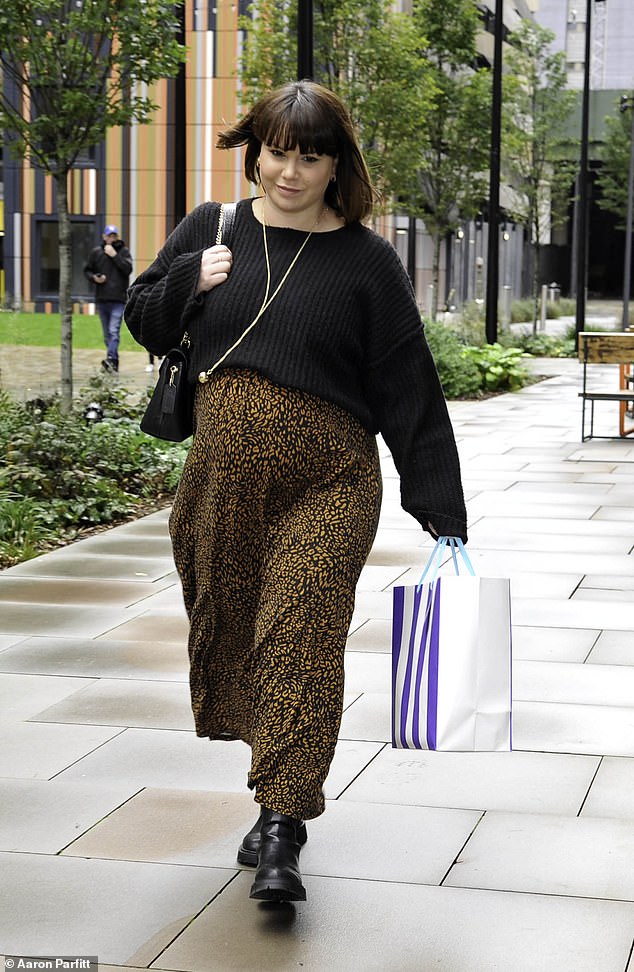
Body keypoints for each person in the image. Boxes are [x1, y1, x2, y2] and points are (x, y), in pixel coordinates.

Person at [125, 80, 468, 904]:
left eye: (309, 156)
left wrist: (443, 510)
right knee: (241, 628)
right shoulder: (214, 228)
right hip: (222, 482)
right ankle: (271, 777)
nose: (289, 171)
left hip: (331, 481)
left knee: (303, 633)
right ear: (258, 150)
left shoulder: (366, 261)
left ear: (335, 162)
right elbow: (141, 317)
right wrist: (190, 286)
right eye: (277, 151)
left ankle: (283, 822)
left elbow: (407, 387)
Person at [84, 225, 133, 373]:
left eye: (114, 235)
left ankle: (111, 359)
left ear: (117, 237)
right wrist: (94, 278)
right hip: (102, 298)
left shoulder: (124, 252)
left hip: (118, 298)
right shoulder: (96, 253)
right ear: (104, 237)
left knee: (113, 331)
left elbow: (128, 269)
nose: (111, 238)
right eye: (109, 235)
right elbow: (87, 270)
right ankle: (113, 361)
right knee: (107, 335)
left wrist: (114, 255)